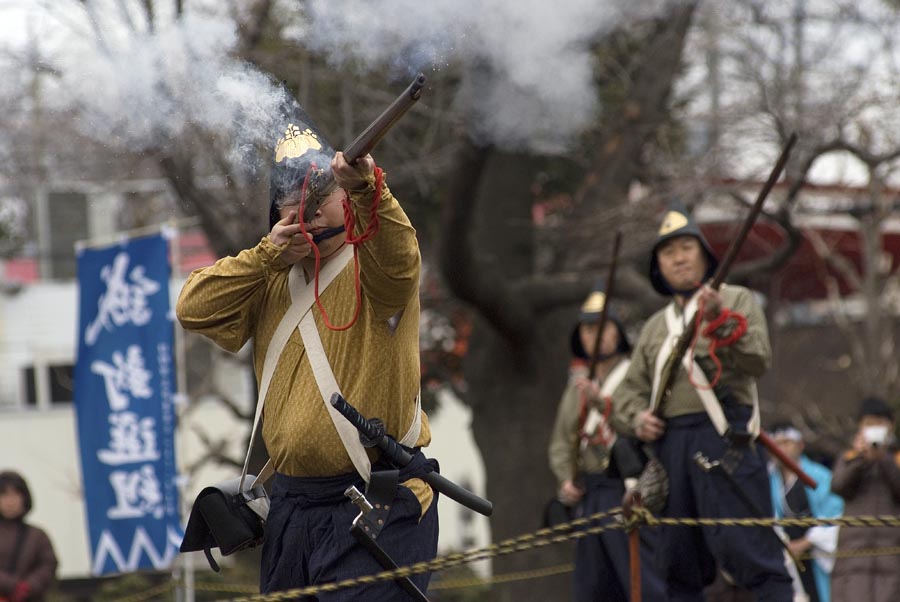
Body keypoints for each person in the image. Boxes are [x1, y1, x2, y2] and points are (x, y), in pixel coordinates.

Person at [176, 94, 437, 600]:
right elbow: (194, 308)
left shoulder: (374, 265)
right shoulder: (271, 273)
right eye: (294, 205)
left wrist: (370, 189)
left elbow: (400, 256)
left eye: (320, 201)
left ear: (346, 198)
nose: (308, 214)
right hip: (293, 505)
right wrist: (268, 255)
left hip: (376, 497)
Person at [611, 201, 794, 602]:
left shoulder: (737, 298)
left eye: (685, 248)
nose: (677, 258)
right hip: (669, 447)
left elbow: (757, 358)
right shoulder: (656, 328)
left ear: (704, 255)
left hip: (725, 440)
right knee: (677, 567)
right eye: (667, 252)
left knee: (752, 554)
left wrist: (720, 319)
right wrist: (637, 418)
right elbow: (627, 393)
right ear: (658, 266)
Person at [547, 287, 668, 601]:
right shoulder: (576, 388)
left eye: (604, 327)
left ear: (618, 333)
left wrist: (603, 405)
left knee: (644, 585)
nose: (596, 335)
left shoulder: (635, 376)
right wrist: (566, 480)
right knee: (591, 590)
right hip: (591, 495)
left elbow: (643, 426)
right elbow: (562, 442)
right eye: (588, 329)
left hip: (628, 488)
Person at [830, 396, 900, 602]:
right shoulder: (850, 457)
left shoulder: (896, 458)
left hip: (892, 558)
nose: (875, 429)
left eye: (880, 424)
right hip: (853, 560)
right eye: (869, 424)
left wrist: (884, 460)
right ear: (860, 427)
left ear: (891, 426)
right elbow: (838, 486)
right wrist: (861, 459)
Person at [768, 424, 844, 602]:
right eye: (777, 444)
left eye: (787, 442)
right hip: (787, 557)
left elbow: (835, 514)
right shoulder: (769, 481)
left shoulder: (820, 476)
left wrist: (805, 543)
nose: (782, 449)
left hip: (819, 554)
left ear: (800, 445)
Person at [0, 471, 58, 602]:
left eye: (15, 494)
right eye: (4, 495)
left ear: (24, 497)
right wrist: (11, 586)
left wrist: (28, 587)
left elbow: (48, 565)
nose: (10, 501)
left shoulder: (38, 535)